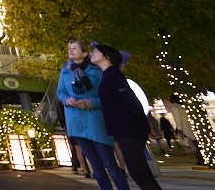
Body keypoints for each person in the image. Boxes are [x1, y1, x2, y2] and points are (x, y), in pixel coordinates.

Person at [57, 40, 129, 190]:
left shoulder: (96, 72)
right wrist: (67, 99)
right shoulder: (65, 70)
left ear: (84, 53)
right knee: (95, 167)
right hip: (76, 121)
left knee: (110, 164)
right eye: (69, 48)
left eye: (74, 48)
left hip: (95, 121)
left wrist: (90, 103)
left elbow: (105, 97)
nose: (70, 50)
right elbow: (60, 92)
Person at [91, 43, 162, 190]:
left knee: (139, 173)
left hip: (129, 131)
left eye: (96, 51)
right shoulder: (109, 75)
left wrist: (145, 126)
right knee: (140, 172)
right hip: (126, 131)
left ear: (107, 57)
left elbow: (131, 101)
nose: (93, 52)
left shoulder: (113, 75)